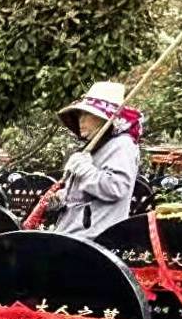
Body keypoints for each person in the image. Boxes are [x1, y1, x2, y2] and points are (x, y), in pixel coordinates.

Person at [51, 81, 141, 237]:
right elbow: (83, 198)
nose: (81, 121)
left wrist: (85, 171)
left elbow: (116, 188)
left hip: (95, 238)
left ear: (103, 118)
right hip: (73, 234)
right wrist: (62, 197)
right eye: (79, 115)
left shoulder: (122, 145)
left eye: (86, 114)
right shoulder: (95, 147)